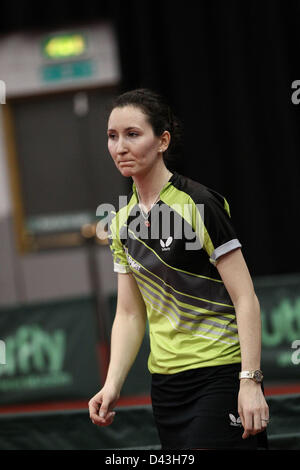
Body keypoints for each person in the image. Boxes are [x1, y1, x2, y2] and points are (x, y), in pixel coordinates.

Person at [88, 88, 269, 450]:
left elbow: (245, 296)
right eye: (112, 136)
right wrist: (112, 384)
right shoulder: (121, 223)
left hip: (219, 375)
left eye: (132, 134)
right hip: (167, 387)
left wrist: (249, 381)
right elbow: (129, 313)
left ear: (162, 141)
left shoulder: (199, 204)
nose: (120, 146)